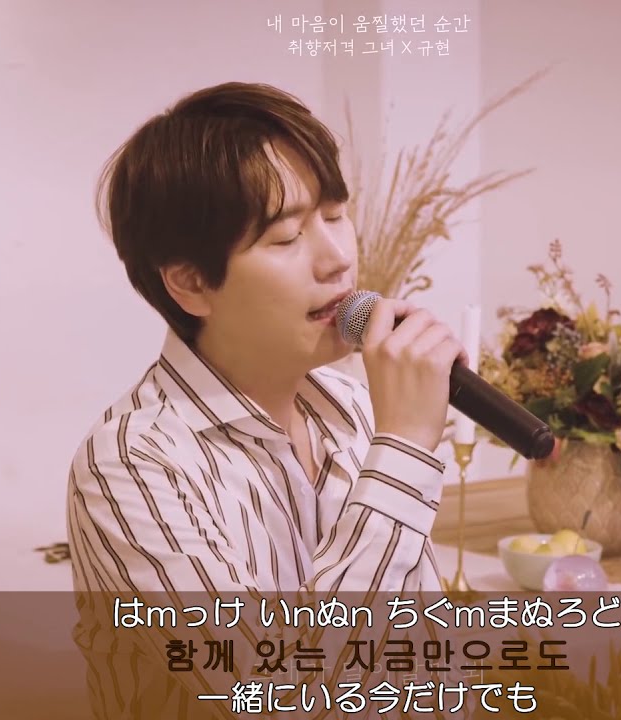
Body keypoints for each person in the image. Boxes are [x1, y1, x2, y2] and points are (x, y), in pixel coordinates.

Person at [65, 81, 469, 719]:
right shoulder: (132, 463)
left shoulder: (356, 409)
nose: (338, 260)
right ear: (192, 283)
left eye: (335, 216)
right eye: (286, 238)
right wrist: (403, 451)